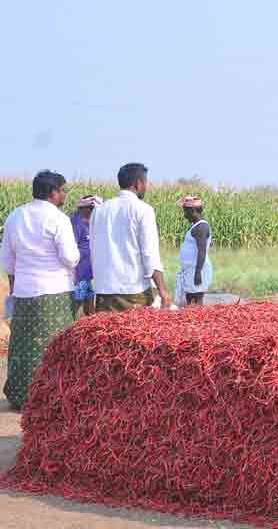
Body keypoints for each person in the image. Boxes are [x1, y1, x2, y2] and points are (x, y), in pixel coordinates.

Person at [1, 171, 78, 410]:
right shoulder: (58, 219)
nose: (65, 195)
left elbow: (8, 260)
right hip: (53, 291)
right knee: (53, 346)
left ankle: (22, 394)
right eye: (63, 190)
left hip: (24, 291)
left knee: (23, 344)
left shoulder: (15, 216)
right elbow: (70, 258)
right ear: (53, 193)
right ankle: (50, 396)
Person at [90, 163, 171, 312]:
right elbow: (149, 255)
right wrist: (163, 290)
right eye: (145, 182)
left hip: (105, 291)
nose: (146, 186)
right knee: (135, 334)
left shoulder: (99, 211)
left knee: (107, 334)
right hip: (133, 290)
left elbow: (93, 249)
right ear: (138, 184)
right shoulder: (143, 210)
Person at [176, 195, 213, 307]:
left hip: (197, 271)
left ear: (192, 210)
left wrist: (198, 273)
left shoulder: (201, 227)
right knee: (190, 302)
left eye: (185, 211)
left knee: (195, 303)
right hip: (191, 270)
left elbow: (202, 251)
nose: (184, 215)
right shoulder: (197, 226)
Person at [70, 195, 102, 318]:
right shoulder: (76, 223)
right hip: (78, 275)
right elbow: (71, 251)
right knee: (78, 305)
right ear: (86, 209)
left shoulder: (89, 224)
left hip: (86, 275)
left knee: (89, 306)